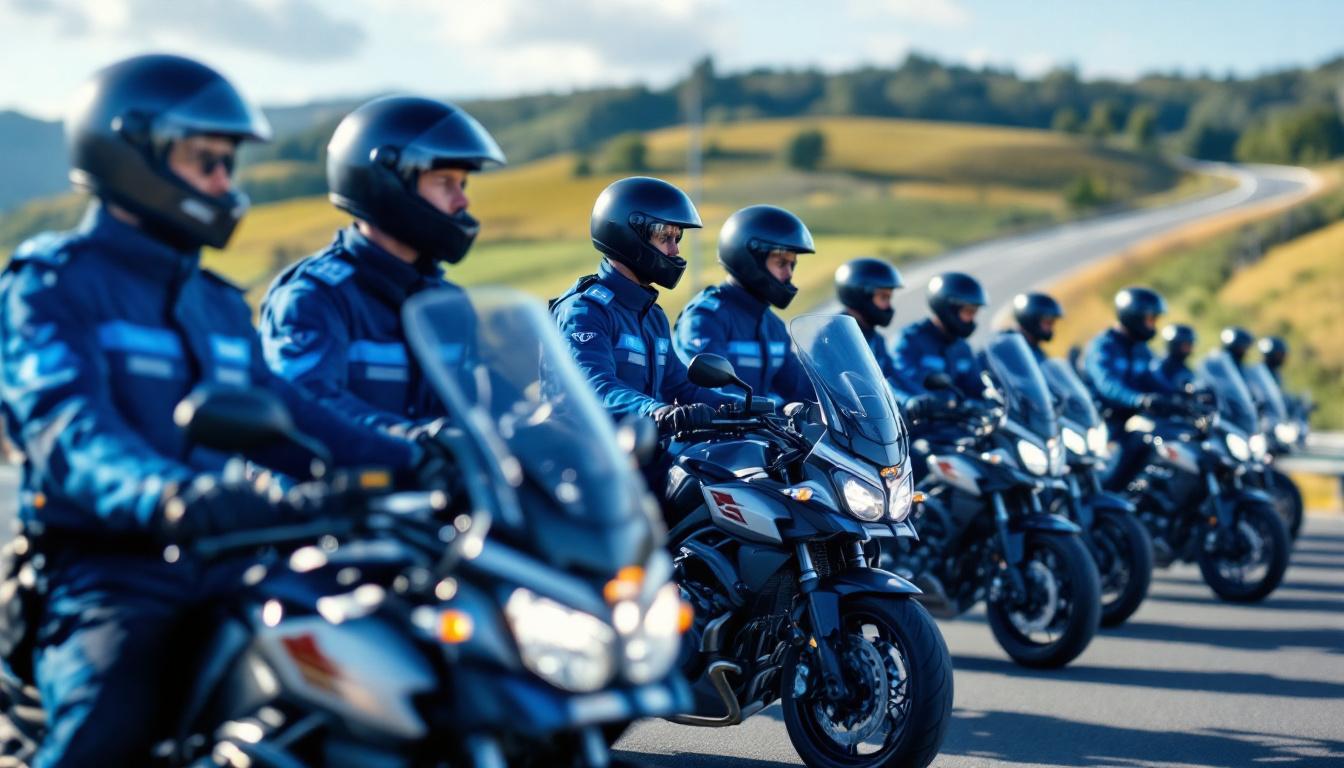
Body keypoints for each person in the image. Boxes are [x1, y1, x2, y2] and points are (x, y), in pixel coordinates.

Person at [0, 55, 425, 766]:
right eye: (207, 163)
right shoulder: (52, 284)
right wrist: (168, 495)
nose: (227, 184)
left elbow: (295, 419)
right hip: (106, 571)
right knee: (112, 713)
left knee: (377, 659)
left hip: (231, 561)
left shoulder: (217, 305)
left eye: (229, 164)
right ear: (132, 154)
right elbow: (67, 427)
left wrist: (423, 458)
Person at [259, 96, 505, 433]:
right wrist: (410, 441)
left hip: (439, 470)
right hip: (342, 470)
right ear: (388, 180)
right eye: (444, 182)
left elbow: (480, 402)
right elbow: (310, 403)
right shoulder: (315, 299)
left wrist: (541, 425)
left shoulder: (449, 304)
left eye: (462, 184)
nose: (462, 201)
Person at [552, 177, 736, 437]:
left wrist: (753, 407)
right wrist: (656, 410)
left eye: (677, 237)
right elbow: (595, 388)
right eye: (665, 237)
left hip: (640, 451)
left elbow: (683, 387)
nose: (675, 250)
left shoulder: (653, 316)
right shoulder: (585, 311)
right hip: (587, 455)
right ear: (629, 236)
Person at [673, 205, 813, 405]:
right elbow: (706, 394)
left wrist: (843, 397)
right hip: (717, 426)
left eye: (792, 265)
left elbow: (800, 388)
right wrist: (761, 410)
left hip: (761, 425)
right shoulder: (706, 318)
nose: (789, 273)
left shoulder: (774, 327)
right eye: (781, 263)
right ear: (749, 259)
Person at [1083, 287, 1183, 489]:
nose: (1153, 325)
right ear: (1133, 317)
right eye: (1150, 319)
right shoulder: (1103, 346)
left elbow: (1152, 379)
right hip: (1101, 424)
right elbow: (1107, 384)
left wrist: (1181, 396)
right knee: (1107, 478)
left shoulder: (1141, 349)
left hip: (1131, 420)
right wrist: (1139, 399)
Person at [891, 272, 989, 418]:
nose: (972, 319)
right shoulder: (910, 340)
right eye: (968, 312)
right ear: (947, 308)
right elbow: (897, 381)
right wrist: (915, 402)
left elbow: (975, 387)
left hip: (953, 424)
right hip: (917, 425)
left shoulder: (962, 348)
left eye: (974, 313)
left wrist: (986, 400)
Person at [834, 257, 903, 385]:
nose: (888, 306)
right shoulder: (834, 337)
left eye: (889, 298)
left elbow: (893, 378)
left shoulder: (876, 339)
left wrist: (919, 394)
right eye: (883, 297)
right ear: (859, 296)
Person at [1010, 291, 1064, 362]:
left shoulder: (1039, 354)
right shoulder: (1009, 346)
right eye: (1048, 322)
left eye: (1053, 322)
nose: (1051, 327)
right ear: (1030, 320)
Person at [1157, 324, 1197, 391]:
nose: (1189, 348)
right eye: (1185, 344)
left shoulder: (1184, 368)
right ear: (1174, 344)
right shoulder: (1160, 367)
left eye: (1190, 344)